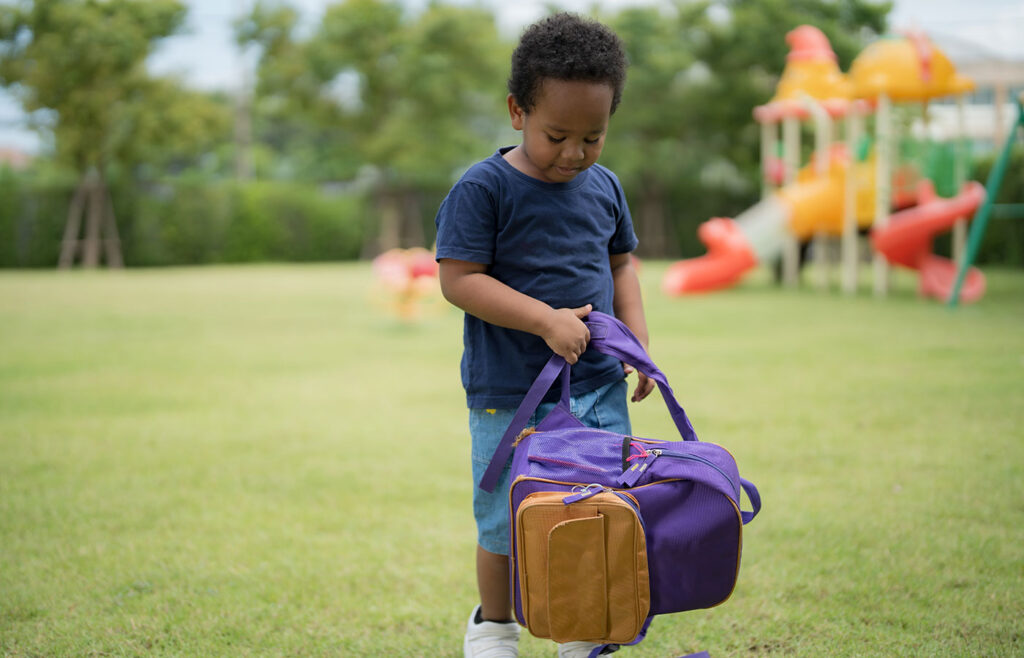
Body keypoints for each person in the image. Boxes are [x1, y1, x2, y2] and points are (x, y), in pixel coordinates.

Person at [434, 12, 655, 658]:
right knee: (506, 518)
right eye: (557, 134)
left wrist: (636, 340)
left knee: (595, 512)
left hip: (596, 390)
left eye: (593, 136)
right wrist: (543, 319)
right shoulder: (484, 189)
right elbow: (459, 279)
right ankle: (494, 627)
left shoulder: (605, 187)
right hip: (510, 393)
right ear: (516, 111)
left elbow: (622, 264)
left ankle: (585, 630)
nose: (574, 153)